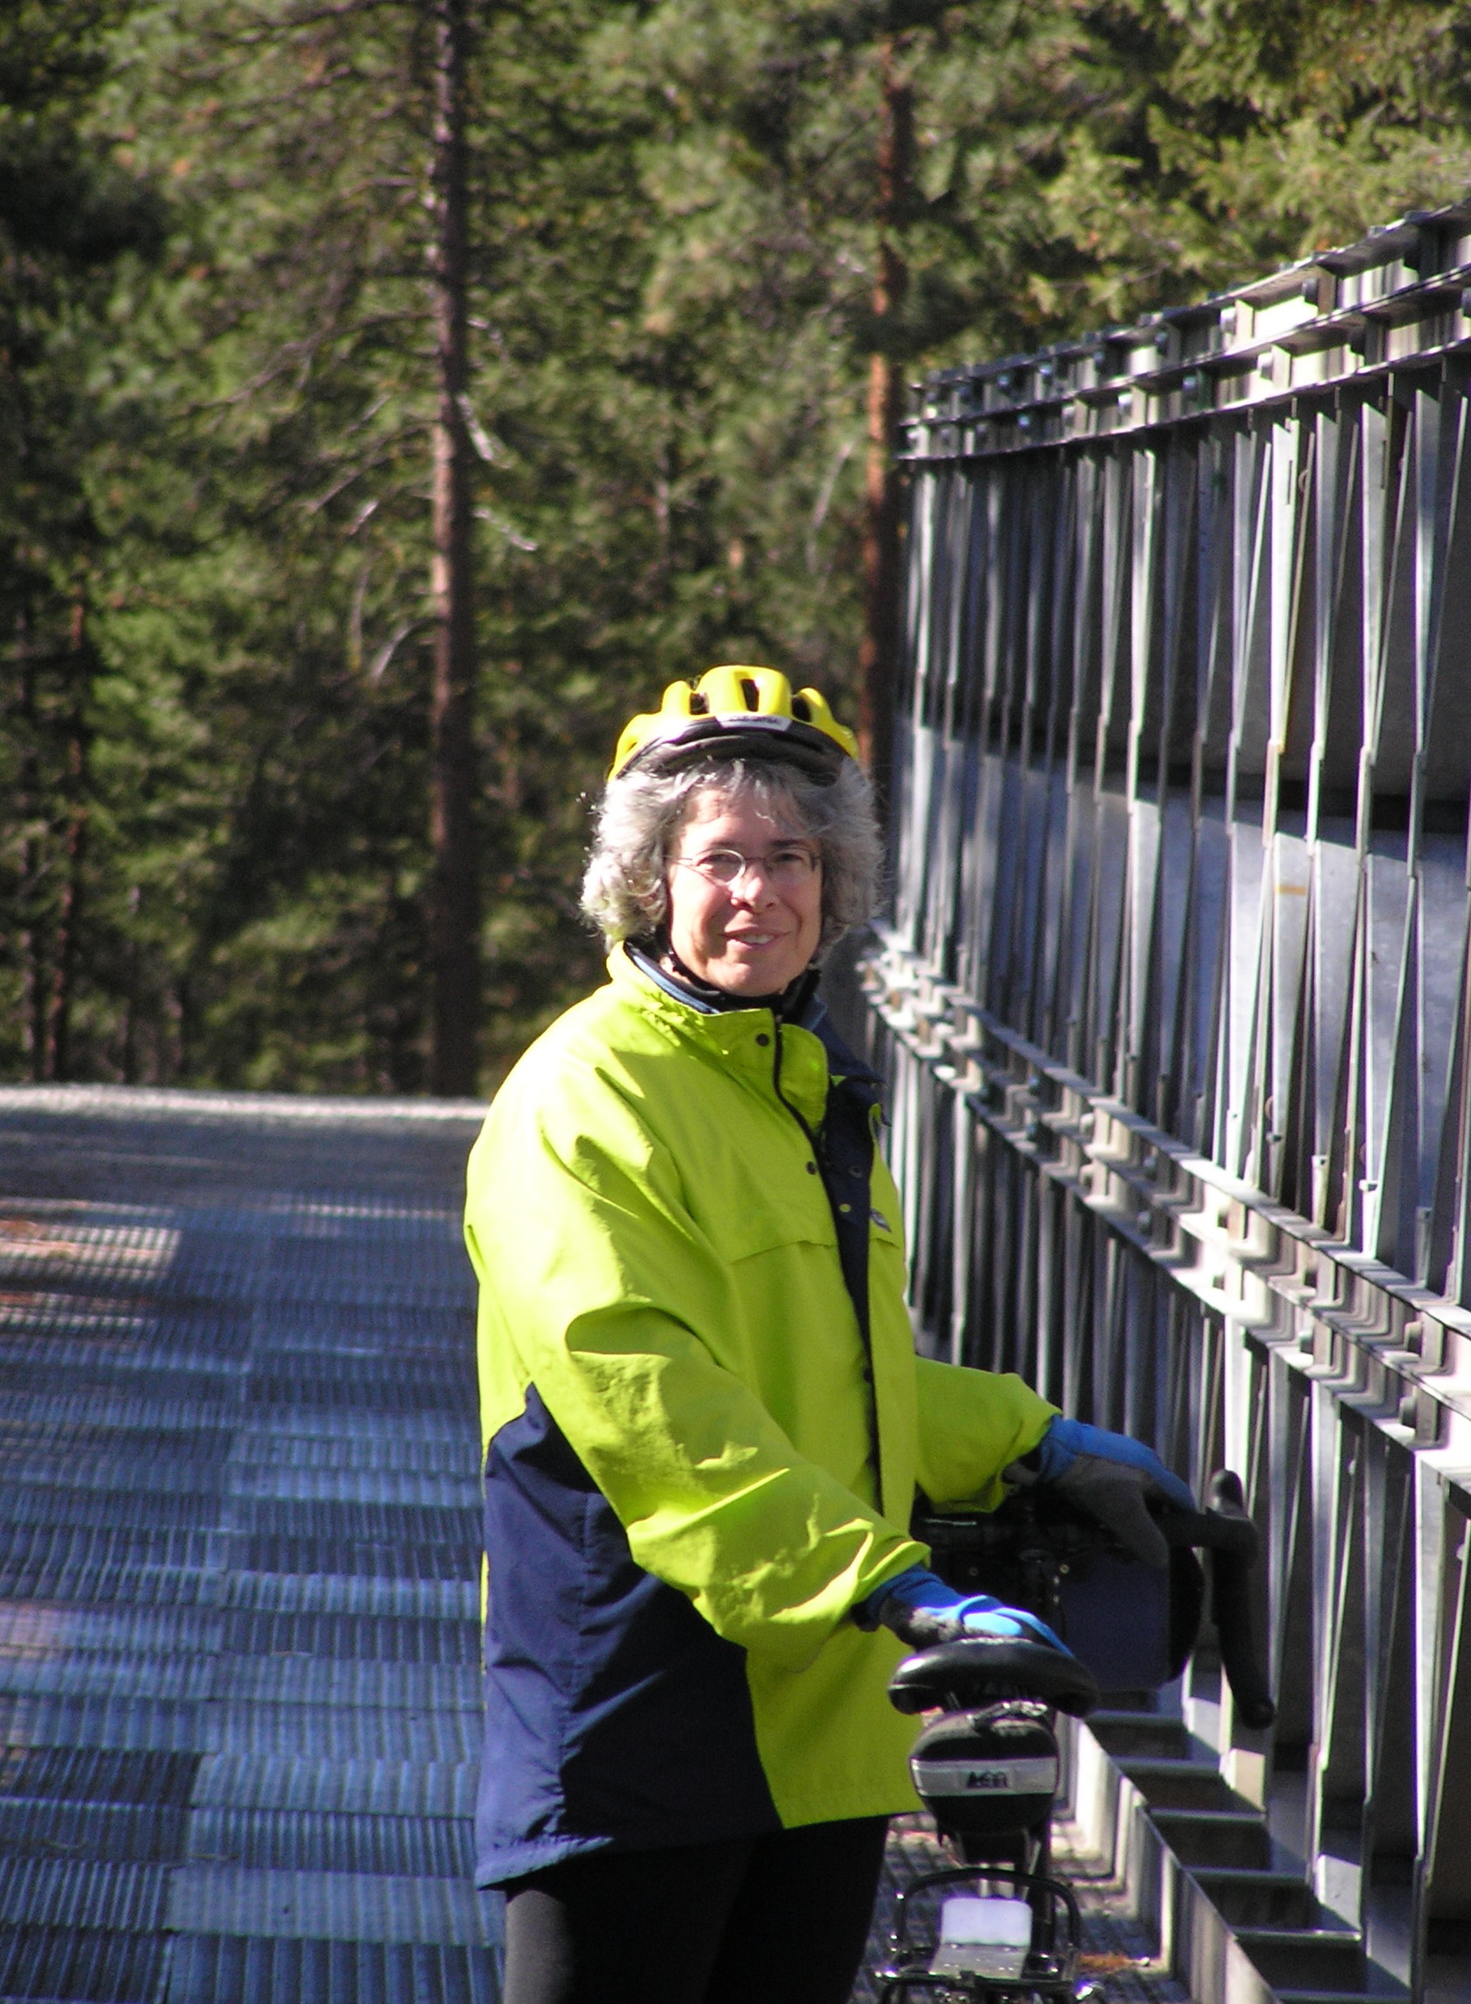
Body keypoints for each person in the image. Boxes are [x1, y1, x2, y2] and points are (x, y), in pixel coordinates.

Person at [463, 666, 1192, 2004]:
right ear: (650, 884)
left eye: (790, 857)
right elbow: (658, 1411)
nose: (759, 893)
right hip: (639, 1712)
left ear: (832, 880)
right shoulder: (584, 1098)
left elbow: (830, 1374)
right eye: (720, 860)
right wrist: (900, 1590)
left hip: (824, 1734)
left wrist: (1029, 1442)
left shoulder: (805, 1085)